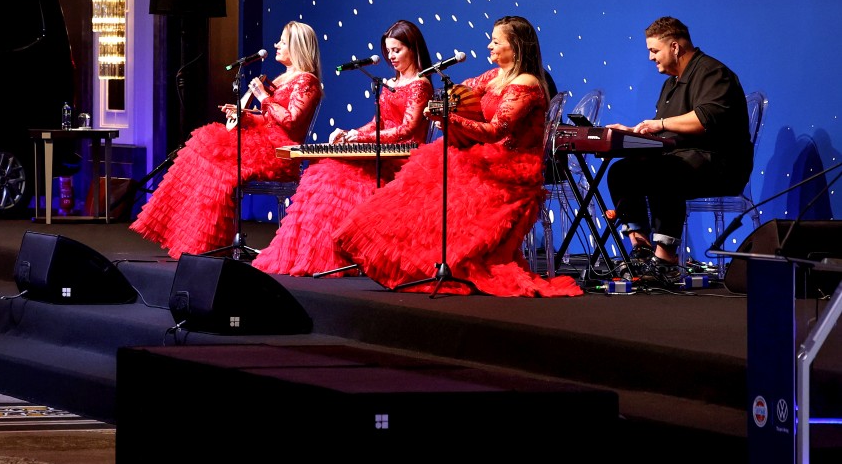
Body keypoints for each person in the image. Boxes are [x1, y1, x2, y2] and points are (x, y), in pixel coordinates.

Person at [334, 15, 583, 296]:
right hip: (485, 158)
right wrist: (448, 104)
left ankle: (436, 262)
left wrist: (451, 118)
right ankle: (408, 258)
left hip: (510, 171)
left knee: (446, 186)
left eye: (495, 42)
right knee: (425, 178)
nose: (489, 46)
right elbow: (465, 88)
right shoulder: (497, 76)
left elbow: (495, 131)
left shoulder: (526, 84)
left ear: (516, 46)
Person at [254, 19, 434, 277]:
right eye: (388, 51)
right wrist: (350, 133)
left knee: (333, 176)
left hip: (401, 158)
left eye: (397, 50)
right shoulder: (390, 83)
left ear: (413, 48)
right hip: (380, 153)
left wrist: (361, 138)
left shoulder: (421, 84)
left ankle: (336, 256)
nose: (391, 57)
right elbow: (378, 123)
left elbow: (407, 129)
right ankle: (307, 254)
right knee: (322, 170)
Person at [130, 20, 324, 258]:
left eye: (282, 42)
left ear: (297, 47)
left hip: (279, 153)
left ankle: (210, 242)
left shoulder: (307, 81)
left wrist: (263, 97)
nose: (276, 45)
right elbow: (269, 118)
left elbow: (291, 121)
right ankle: (185, 235)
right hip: (262, 142)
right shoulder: (282, 79)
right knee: (200, 147)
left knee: (213, 157)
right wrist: (245, 115)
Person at [603, 16, 752, 283]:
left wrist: (659, 124)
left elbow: (704, 119)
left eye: (654, 50)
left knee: (664, 171)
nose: (650, 57)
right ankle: (641, 250)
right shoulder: (670, 84)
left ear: (674, 47)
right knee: (622, 172)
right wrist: (632, 131)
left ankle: (666, 259)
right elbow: (666, 133)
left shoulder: (713, 73)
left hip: (719, 165)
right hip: (682, 161)